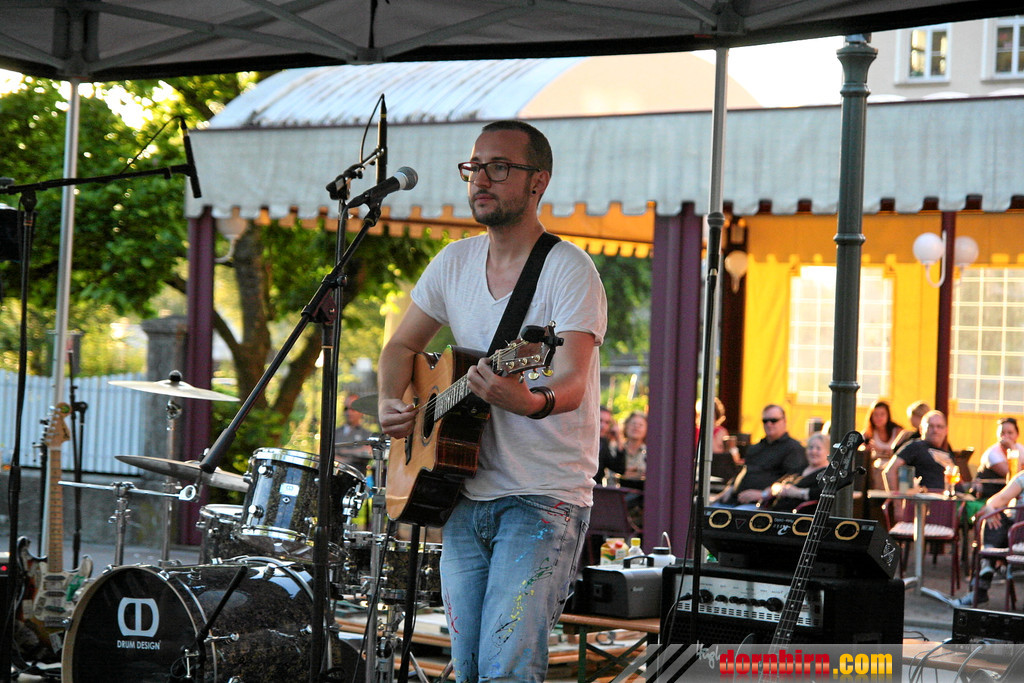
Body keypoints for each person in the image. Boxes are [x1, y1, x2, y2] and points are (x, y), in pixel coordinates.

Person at [377, 120, 606, 682]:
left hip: (542, 497)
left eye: (498, 167)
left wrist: (525, 401)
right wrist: (389, 400)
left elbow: (572, 382)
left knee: (506, 671)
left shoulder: (569, 269)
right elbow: (400, 347)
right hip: (462, 492)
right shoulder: (453, 263)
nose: (480, 179)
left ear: (537, 181)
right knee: (467, 669)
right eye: (474, 167)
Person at [953, 467, 1024, 607]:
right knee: (995, 518)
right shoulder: (1022, 479)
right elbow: (995, 501)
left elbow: (995, 502)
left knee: (998, 521)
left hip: (1015, 536)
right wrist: (991, 509)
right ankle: (988, 562)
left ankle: (986, 567)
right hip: (1013, 537)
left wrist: (991, 508)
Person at [710, 404, 805, 506]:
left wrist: (763, 494)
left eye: (773, 420)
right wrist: (730, 487)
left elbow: (793, 479)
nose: (769, 424)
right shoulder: (756, 447)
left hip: (762, 506)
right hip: (734, 500)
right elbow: (744, 470)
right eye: (765, 421)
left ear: (784, 421)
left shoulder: (794, 448)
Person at [883, 410, 954, 491]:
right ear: (921, 429)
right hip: (925, 496)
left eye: (939, 426)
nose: (935, 430)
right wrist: (896, 497)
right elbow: (890, 470)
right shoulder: (916, 446)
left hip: (951, 496)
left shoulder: (947, 451)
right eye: (930, 426)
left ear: (946, 430)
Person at [764, 432, 830, 512]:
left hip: (799, 514)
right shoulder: (800, 469)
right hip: (774, 510)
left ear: (828, 452)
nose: (813, 451)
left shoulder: (827, 474)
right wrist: (781, 489)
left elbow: (821, 494)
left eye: (818, 448)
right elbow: (776, 484)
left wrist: (797, 492)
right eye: (810, 447)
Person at [334, 393, 375, 467]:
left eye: (353, 409)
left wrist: (342, 451)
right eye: (346, 409)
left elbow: (368, 452)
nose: (349, 413)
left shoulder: (368, 435)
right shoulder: (335, 433)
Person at [615, 411, 648, 488]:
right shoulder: (615, 449)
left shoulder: (650, 452)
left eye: (640, 425)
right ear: (626, 426)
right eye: (633, 424)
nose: (636, 427)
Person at [594, 406, 621, 485]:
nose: (603, 426)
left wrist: (619, 439)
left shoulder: (603, 442)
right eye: (600, 420)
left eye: (607, 422)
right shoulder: (580, 440)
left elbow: (618, 468)